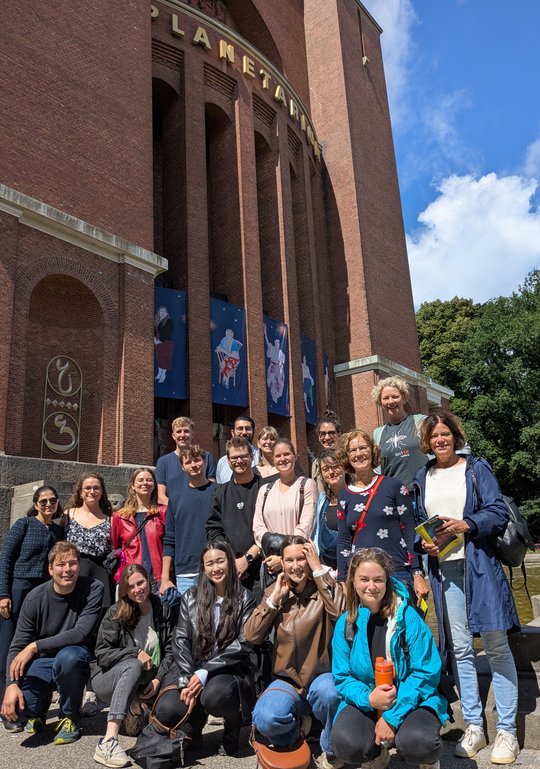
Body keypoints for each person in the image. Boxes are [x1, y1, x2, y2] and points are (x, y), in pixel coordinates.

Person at [413, 411, 520, 765]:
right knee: (460, 649)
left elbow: (497, 513)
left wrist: (467, 524)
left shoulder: (475, 467)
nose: (440, 440)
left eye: (445, 434)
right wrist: (424, 545)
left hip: (479, 568)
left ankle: (507, 730)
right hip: (444, 572)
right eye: (434, 436)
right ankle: (474, 724)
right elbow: (418, 522)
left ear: (454, 436)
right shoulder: (422, 475)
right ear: (426, 442)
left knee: (495, 646)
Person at [331, 548, 448, 769]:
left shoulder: (407, 617)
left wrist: (391, 717)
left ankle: (428, 759)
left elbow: (426, 672)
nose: (371, 587)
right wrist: (369, 699)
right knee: (345, 743)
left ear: (388, 581)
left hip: (413, 698)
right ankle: (376, 755)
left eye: (378, 580)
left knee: (419, 742)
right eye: (364, 579)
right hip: (368, 699)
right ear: (353, 582)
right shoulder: (345, 624)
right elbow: (342, 677)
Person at [244, 536, 346, 769]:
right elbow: (251, 636)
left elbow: (341, 614)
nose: (296, 565)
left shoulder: (326, 587)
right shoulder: (276, 591)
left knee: (330, 694)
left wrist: (319, 570)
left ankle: (330, 748)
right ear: (282, 562)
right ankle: (296, 739)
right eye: (289, 560)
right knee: (265, 718)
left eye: (301, 558)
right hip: (287, 680)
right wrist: (273, 601)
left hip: (322, 676)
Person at [153, 542, 256, 756]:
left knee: (216, 697)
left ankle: (233, 724)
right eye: (210, 563)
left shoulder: (245, 598)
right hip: (193, 666)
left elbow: (244, 643)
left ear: (229, 561)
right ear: (203, 567)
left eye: (220, 561)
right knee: (168, 709)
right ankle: (194, 725)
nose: (216, 568)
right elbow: (180, 638)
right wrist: (185, 678)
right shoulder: (190, 596)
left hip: (228, 670)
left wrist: (204, 672)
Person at [1, 542, 104, 744]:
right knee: (20, 710)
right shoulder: (34, 598)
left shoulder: (93, 588)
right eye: (61, 564)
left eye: (73, 563)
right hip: (43, 662)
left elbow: (80, 633)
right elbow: (16, 645)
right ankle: (38, 711)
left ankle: (69, 717)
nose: (67, 569)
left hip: (74, 656)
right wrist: (11, 685)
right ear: (50, 569)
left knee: (69, 657)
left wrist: (34, 646)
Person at [92, 564, 175, 768]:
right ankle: (108, 741)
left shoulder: (162, 609)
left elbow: (172, 650)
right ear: (125, 590)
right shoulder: (116, 612)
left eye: (141, 582)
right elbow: (101, 655)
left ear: (149, 581)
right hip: (108, 680)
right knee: (133, 665)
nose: (138, 589)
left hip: (149, 682)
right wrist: (135, 652)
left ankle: (138, 707)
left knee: (140, 728)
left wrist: (158, 680)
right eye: (131, 586)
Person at [336, 430, 428, 604]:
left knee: (402, 628)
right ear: (346, 457)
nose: (358, 454)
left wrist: (417, 573)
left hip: (397, 572)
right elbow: (343, 540)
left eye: (363, 448)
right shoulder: (344, 495)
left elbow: (410, 531)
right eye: (352, 450)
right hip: (362, 578)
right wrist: (343, 579)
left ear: (372, 451)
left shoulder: (393, 486)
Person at [0, 486, 64, 719]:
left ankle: (29, 701)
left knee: (34, 645)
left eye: (53, 500)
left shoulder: (58, 530)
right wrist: (3, 594)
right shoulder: (24, 525)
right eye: (44, 501)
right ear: (36, 504)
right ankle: (5, 706)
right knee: (9, 644)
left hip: (44, 592)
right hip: (20, 588)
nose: (48, 505)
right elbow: (5, 558)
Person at [206, 437, 264, 599]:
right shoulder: (220, 493)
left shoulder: (265, 488)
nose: (239, 461)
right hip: (230, 572)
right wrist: (231, 559)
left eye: (243, 456)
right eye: (234, 458)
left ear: (252, 457)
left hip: (260, 571)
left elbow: (270, 527)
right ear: (228, 461)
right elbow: (213, 529)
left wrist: (248, 558)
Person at [252, 438, 317, 584]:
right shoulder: (265, 490)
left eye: (286, 454)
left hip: (298, 565)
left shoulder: (307, 485)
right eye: (278, 456)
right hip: (270, 566)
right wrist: (275, 558)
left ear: (295, 456)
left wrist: (283, 559)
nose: (283, 459)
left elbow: (305, 528)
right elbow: (258, 527)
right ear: (273, 460)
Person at [160, 445, 216, 595]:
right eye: (188, 462)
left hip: (215, 568)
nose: (193, 465)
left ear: (205, 462)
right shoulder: (175, 498)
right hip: (186, 572)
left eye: (197, 460)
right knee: (189, 618)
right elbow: (169, 538)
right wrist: (164, 578)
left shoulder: (219, 492)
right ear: (182, 467)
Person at [111, 468, 167, 591]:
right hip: (131, 578)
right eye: (140, 480)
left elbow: (169, 545)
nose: (144, 483)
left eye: (149, 480)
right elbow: (117, 546)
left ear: (154, 485)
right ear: (133, 486)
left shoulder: (163, 512)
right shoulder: (120, 517)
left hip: (157, 577)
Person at [64, 473, 114, 608]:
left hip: (101, 574)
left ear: (102, 492)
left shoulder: (111, 519)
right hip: (74, 573)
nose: (92, 491)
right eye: (88, 488)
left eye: (96, 488)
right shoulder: (68, 515)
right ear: (80, 492)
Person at [371, 377, 427, 491]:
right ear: (380, 402)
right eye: (385, 398)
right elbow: (376, 468)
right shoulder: (378, 434)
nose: (390, 402)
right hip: (394, 497)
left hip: (423, 492)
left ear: (404, 398)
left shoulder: (420, 422)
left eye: (395, 396)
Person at [155, 417, 216, 505]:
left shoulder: (206, 457)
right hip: (174, 512)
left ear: (192, 434)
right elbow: (161, 497)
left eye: (186, 431)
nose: (182, 435)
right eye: (179, 431)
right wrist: (176, 510)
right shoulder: (163, 462)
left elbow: (212, 490)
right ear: (173, 436)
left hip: (201, 507)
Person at [313, 449, 347, 572]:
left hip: (353, 562)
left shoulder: (357, 495)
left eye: (335, 467)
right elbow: (317, 533)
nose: (331, 472)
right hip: (328, 565)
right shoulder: (322, 501)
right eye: (326, 469)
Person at [215, 415, 260, 483]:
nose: (244, 432)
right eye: (240, 428)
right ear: (232, 432)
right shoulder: (222, 462)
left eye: (248, 429)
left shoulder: (261, 457)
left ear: (253, 431)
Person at [312, 412, 343, 493]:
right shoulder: (316, 464)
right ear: (319, 437)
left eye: (331, 433)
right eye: (322, 434)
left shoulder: (347, 458)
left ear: (339, 434)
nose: (327, 437)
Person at [264, 325, 286, 404]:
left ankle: (277, 394)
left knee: (280, 381)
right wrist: (265, 334)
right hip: (272, 367)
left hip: (278, 368)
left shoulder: (281, 352)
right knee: (272, 380)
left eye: (278, 342)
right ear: (275, 343)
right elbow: (267, 343)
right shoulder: (272, 348)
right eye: (276, 342)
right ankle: (273, 394)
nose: (277, 344)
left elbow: (282, 361)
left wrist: (281, 365)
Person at [154, 305, 174, 384]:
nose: (162, 313)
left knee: (165, 359)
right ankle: (159, 373)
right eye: (161, 311)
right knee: (159, 358)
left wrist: (160, 340)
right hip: (158, 342)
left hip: (166, 343)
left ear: (166, 313)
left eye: (164, 311)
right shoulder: (157, 320)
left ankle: (163, 375)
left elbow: (168, 333)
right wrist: (155, 339)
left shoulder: (169, 321)